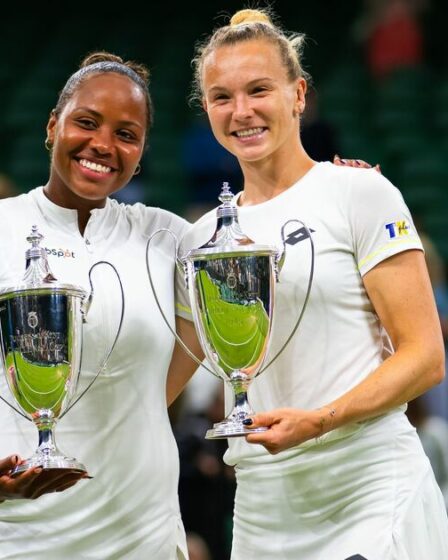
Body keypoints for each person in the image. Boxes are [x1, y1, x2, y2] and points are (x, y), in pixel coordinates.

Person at [167, 8, 448, 559]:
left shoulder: (360, 193)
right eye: (222, 97)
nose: (241, 111)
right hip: (264, 509)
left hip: (370, 488)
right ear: (206, 110)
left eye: (259, 90)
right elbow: (165, 385)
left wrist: (319, 421)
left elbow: (426, 356)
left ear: (299, 94)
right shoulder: (199, 239)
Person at [0, 52, 189, 559]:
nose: (103, 145)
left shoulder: (167, 236)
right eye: (87, 122)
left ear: (142, 152)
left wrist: (342, 180)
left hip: (143, 533)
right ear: (52, 125)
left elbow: (269, 235)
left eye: (127, 134)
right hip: (23, 535)